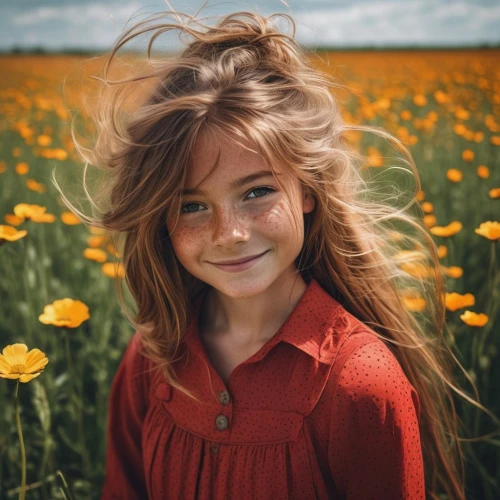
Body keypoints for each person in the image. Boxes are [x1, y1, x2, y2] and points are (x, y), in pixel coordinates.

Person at [56, 8, 470, 500]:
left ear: (308, 189)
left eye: (256, 192)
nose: (229, 233)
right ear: (160, 221)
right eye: (191, 205)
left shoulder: (359, 383)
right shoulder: (155, 355)